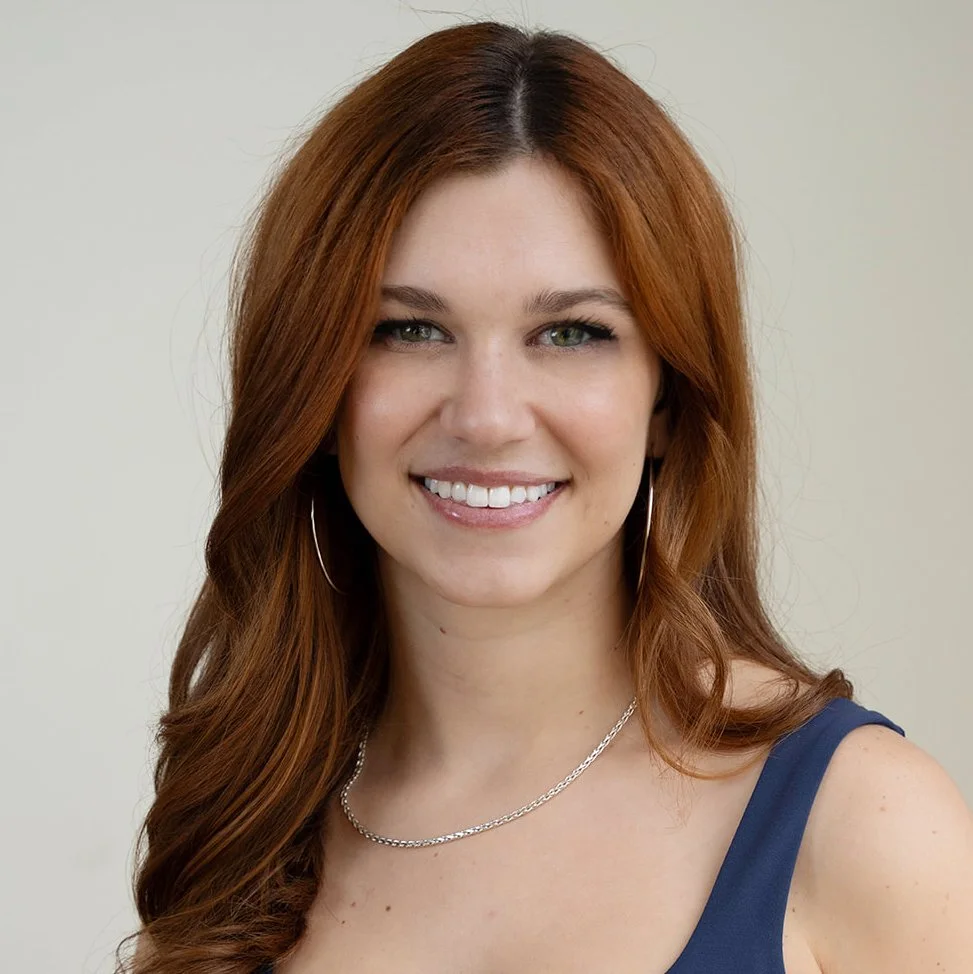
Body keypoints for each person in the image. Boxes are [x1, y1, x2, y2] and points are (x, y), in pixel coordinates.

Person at [124, 20, 973, 974]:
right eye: (408, 329)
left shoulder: (862, 828)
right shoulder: (243, 833)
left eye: (570, 333)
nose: (486, 417)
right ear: (315, 387)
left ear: (666, 400)